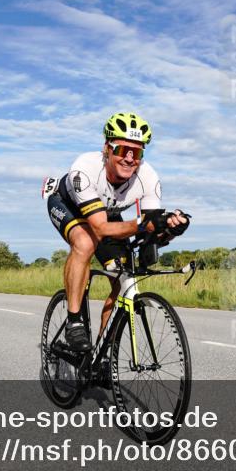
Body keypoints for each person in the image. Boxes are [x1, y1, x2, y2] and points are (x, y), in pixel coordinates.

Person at [44, 112, 189, 353]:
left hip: (106, 214)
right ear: (107, 148)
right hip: (68, 205)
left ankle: (103, 354)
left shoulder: (149, 178)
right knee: (85, 242)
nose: (130, 159)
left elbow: (149, 232)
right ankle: (74, 320)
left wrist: (170, 229)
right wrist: (144, 223)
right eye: (123, 150)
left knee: (124, 273)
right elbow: (100, 228)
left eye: (137, 153)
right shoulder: (85, 168)